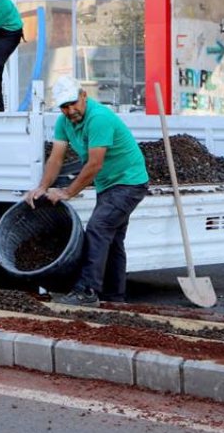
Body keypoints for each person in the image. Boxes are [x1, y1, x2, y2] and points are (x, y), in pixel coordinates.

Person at [25, 76, 149, 306]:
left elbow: (94, 164)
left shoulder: (99, 118)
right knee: (112, 240)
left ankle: (87, 291)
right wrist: (42, 187)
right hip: (108, 184)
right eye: (64, 106)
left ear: (84, 96)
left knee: (98, 228)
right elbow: (56, 158)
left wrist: (67, 192)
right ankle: (114, 298)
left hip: (129, 182)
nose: (70, 110)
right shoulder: (64, 123)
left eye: (73, 103)